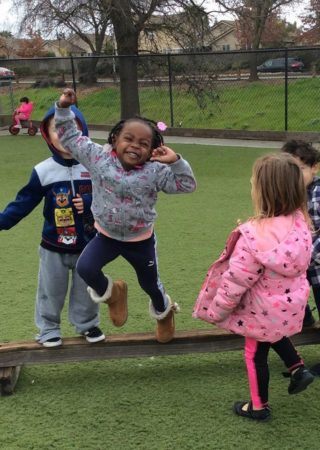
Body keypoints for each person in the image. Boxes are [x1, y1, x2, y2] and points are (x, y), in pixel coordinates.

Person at [53, 88, 197, 344]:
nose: (135, 146)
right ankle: (114, 294)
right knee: (86, 268)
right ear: (115, 139)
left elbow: (186, 185)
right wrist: (64, 109)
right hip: (106, 236)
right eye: (128, 139)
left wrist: (175, 161)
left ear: (153, 149)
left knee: (150, 284)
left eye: (144, 144)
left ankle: (164, 313)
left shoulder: (155, 171)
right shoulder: (98, 157)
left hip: (140, 241)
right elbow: (70, 138)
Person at [193, 153, 314, 421]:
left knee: (255, 353)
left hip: (260, 309)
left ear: (264, 191)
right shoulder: (301, 223)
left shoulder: (253, 236)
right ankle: (297, 368)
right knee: (275, 331)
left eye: (253, 182)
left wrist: (216, 311)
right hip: (287, 305)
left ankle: (258, 407)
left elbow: (235, 282)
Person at [0, 105, 105, 347]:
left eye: (70, 128)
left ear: (83, 133)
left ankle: (87, 324)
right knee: (50, 290)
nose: (63, 134)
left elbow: (110, 198)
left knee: (86, 289)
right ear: (47, 135)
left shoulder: (95, 167)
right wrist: (3, 220)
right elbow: (23, 202)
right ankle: (48, 328)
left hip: (89, 246)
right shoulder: (43, 171)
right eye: (57, 129)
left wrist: (89, 203)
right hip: (53, 246)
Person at [281, 140, 320, 327]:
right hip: (296, 270)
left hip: (317, 264)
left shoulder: (318, 192)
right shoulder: (286, 195)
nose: (296, 177)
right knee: (294, 306)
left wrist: (306, 254)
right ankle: (306, 321)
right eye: (291, 172)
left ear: (315, 167)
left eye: (301, 169)